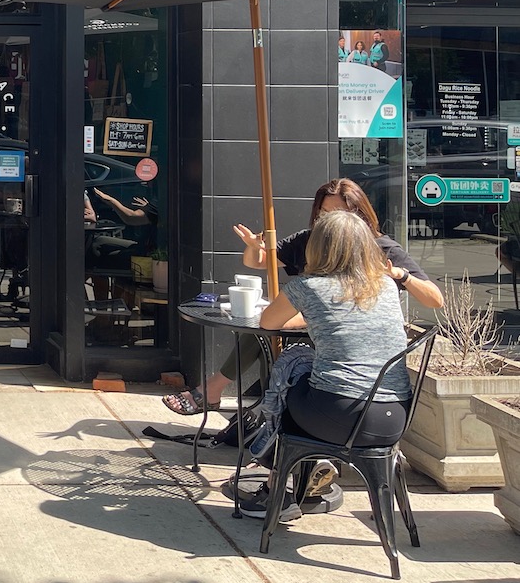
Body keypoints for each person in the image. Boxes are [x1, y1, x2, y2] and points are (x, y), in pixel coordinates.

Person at [163, 177, 441, 416]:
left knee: (277, 344)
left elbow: (434, 299)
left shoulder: (383, 256)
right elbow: (261, 261)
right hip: (389, 402)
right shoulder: (311, 241)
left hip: (345, 345)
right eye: (324, 215)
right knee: (267, 335)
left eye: (338, 216)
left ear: (358, 215)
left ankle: (260, 422)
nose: (329, 224)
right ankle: (259, 420)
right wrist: (253, 248)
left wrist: (402, 275)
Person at [237, 210, 415, 517]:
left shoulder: (308, 287)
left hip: (340, 417)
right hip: (394, 419)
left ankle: (279, 494)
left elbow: (268, 322)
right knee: (304, 376)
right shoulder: (386, 286)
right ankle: (303, 477)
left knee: (291, 375)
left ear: (316, 247)